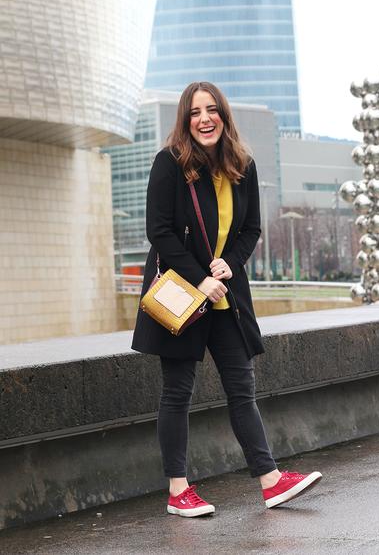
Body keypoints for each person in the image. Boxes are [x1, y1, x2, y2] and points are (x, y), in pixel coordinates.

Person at [131, 81, 322, 517]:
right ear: (185, 120)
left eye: (212, 110)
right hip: (182, 294)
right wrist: (200, 277)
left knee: (242, 389)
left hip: (226, 297)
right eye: (195, 112)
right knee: (177, 392)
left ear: (224, 116)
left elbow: (251, 229)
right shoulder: (170, 163)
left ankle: (270, 481)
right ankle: (178, 491)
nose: (204, 118)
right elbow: (158, 231)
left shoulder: (242, 165)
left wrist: (230, 265)